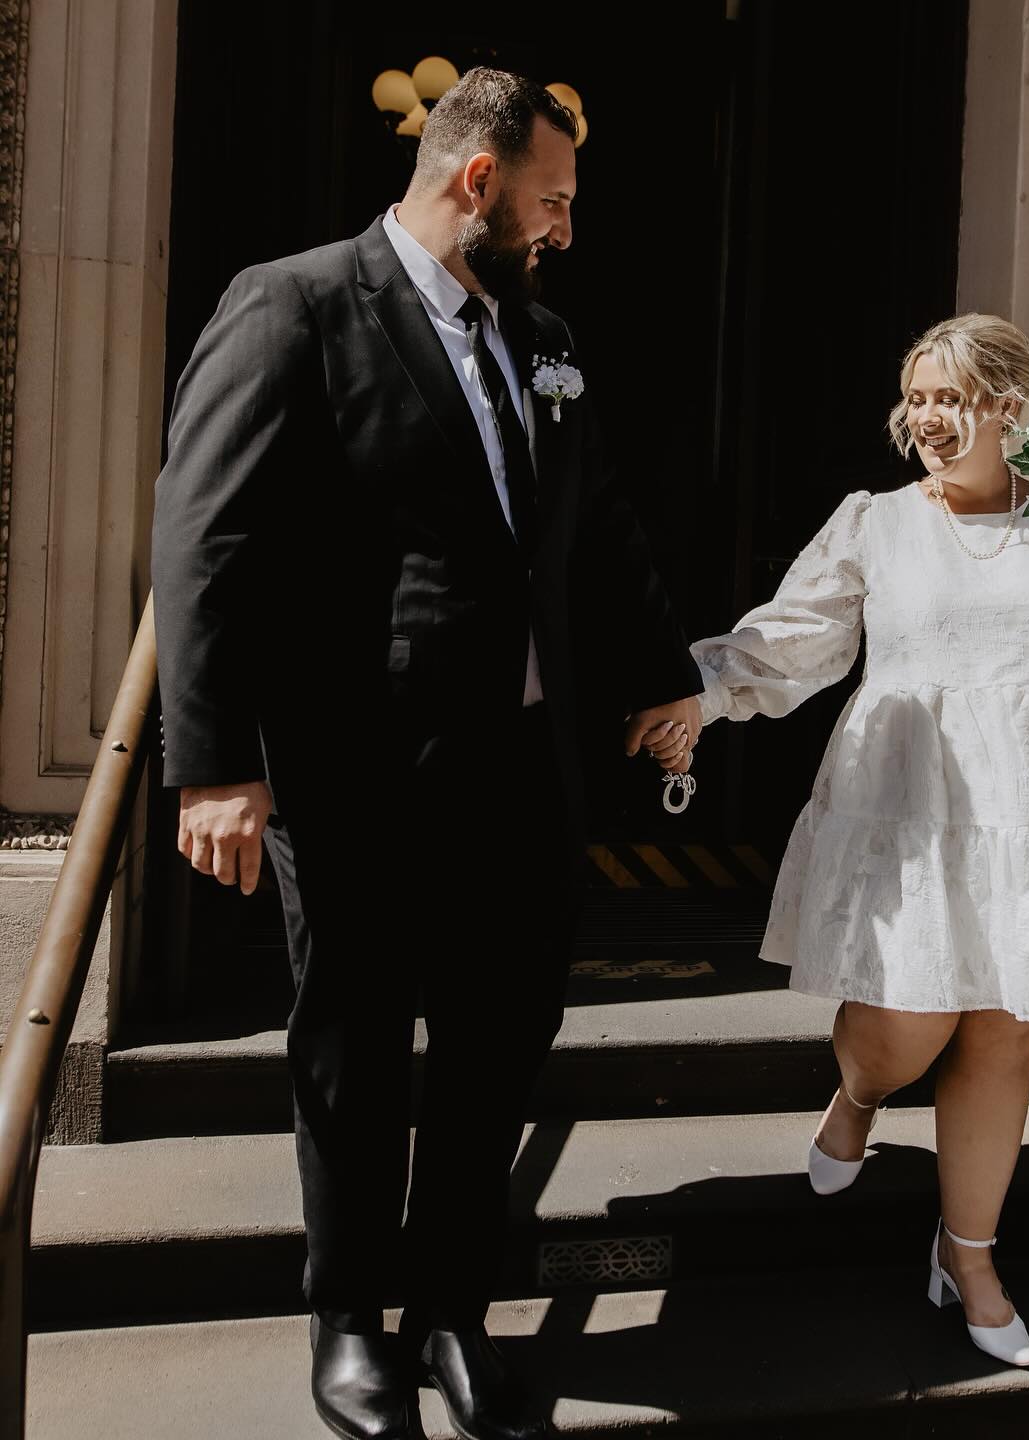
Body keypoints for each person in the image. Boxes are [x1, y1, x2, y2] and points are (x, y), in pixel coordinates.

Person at [152, 67, 701, 1440]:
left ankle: (452, 1314)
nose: (564, 228)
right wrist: (213, 762)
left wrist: (663, 676)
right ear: (479, 180)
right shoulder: (294, 304)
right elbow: (205, 537)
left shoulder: (543, 336)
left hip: (525, 772)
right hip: (358, 775)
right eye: (553, 200)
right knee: (352, 1057)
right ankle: (348, 1323)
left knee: (495, 1055)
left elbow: (598, 520)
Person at [675, 314, 1029, 1367]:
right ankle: (861, 1092)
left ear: (1008, 407)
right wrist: (702, 696)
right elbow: (798, 637)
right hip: (909, 809)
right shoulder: (875, 522)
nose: (924, 417)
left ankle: (969, 1257)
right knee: (906, 1025)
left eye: (947, 398)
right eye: (916, 397)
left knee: (1005, 1034)